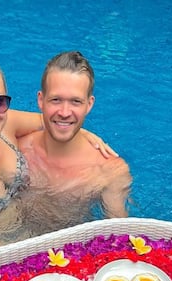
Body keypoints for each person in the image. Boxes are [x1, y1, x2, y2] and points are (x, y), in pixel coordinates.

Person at [0, 47, 114, 259]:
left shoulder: (6, 123)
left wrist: (85, 133)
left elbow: (51, 121)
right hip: (3, 254)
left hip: (33, 232)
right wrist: (32, 251)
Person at [18, 51, 132, 232]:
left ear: (89, 104)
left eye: (75, 102)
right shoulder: (17, 151)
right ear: (41, 100)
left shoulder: (110, 170)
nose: (64, 112)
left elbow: (118, 235)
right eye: (56, 100)